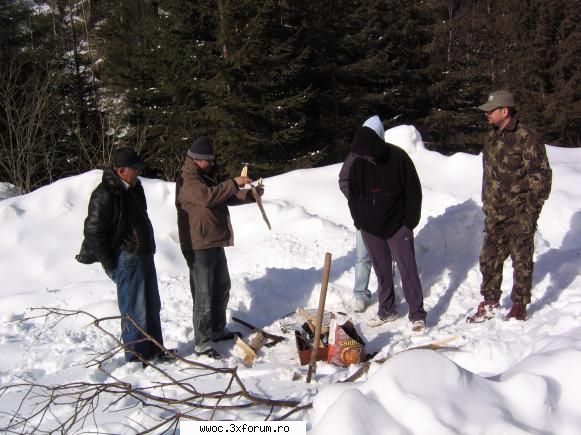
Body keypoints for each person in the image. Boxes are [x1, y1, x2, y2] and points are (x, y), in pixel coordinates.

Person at [467, 90, 552, 323]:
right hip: (495, 213)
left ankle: (519, 305)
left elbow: (541, 180)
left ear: (504, 111)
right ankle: (490, 301)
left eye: (490, 110)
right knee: (489, 260)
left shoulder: (526, 137)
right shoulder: (492, 136)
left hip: (519, 214)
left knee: (521, 261)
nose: (487, 115)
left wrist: (529, 214)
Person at [175, 137, 261, 359]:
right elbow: (208, 197)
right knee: (203, 296)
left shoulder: (205, 174)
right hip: (198, 244)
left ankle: (216, 329)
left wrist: (250, 195)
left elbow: (224, 196)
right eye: (208, 160)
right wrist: (234, 182)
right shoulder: (187, 178)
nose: (212, 163)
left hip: (214, 240)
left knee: (221, 287)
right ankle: (202, 343)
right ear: (196, 160)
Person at [82, 147, 167, 362]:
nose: (138, 172)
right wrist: (110, 264)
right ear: (121, 171)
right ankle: (137, 356)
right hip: (126, 258)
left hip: (145, 254)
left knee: (152, 305)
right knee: (134, 309)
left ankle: (156, 349)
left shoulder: (135, 188)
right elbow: (93, 232)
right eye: (134, 169)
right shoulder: (104, 194)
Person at [347, 115, 427, 332]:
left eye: (368, 151)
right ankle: (387, 310)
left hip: (397, 226)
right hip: (371, 229)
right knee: (382, 272)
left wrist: (409, 222)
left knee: (407, 269)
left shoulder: (398, 158)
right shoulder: (358, 165)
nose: (365, 155)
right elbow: (353, 195)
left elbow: (413, 191)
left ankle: (417, 313)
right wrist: (359, 220)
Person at [338, 116, 383, 313]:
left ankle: (386, 293)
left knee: (385, 256)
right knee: (363, 256)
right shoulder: (355, 155)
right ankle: (360, 294)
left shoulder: (385, 153)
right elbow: (343, 180)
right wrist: (357, 202)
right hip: (363, 216)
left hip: (384, 215)